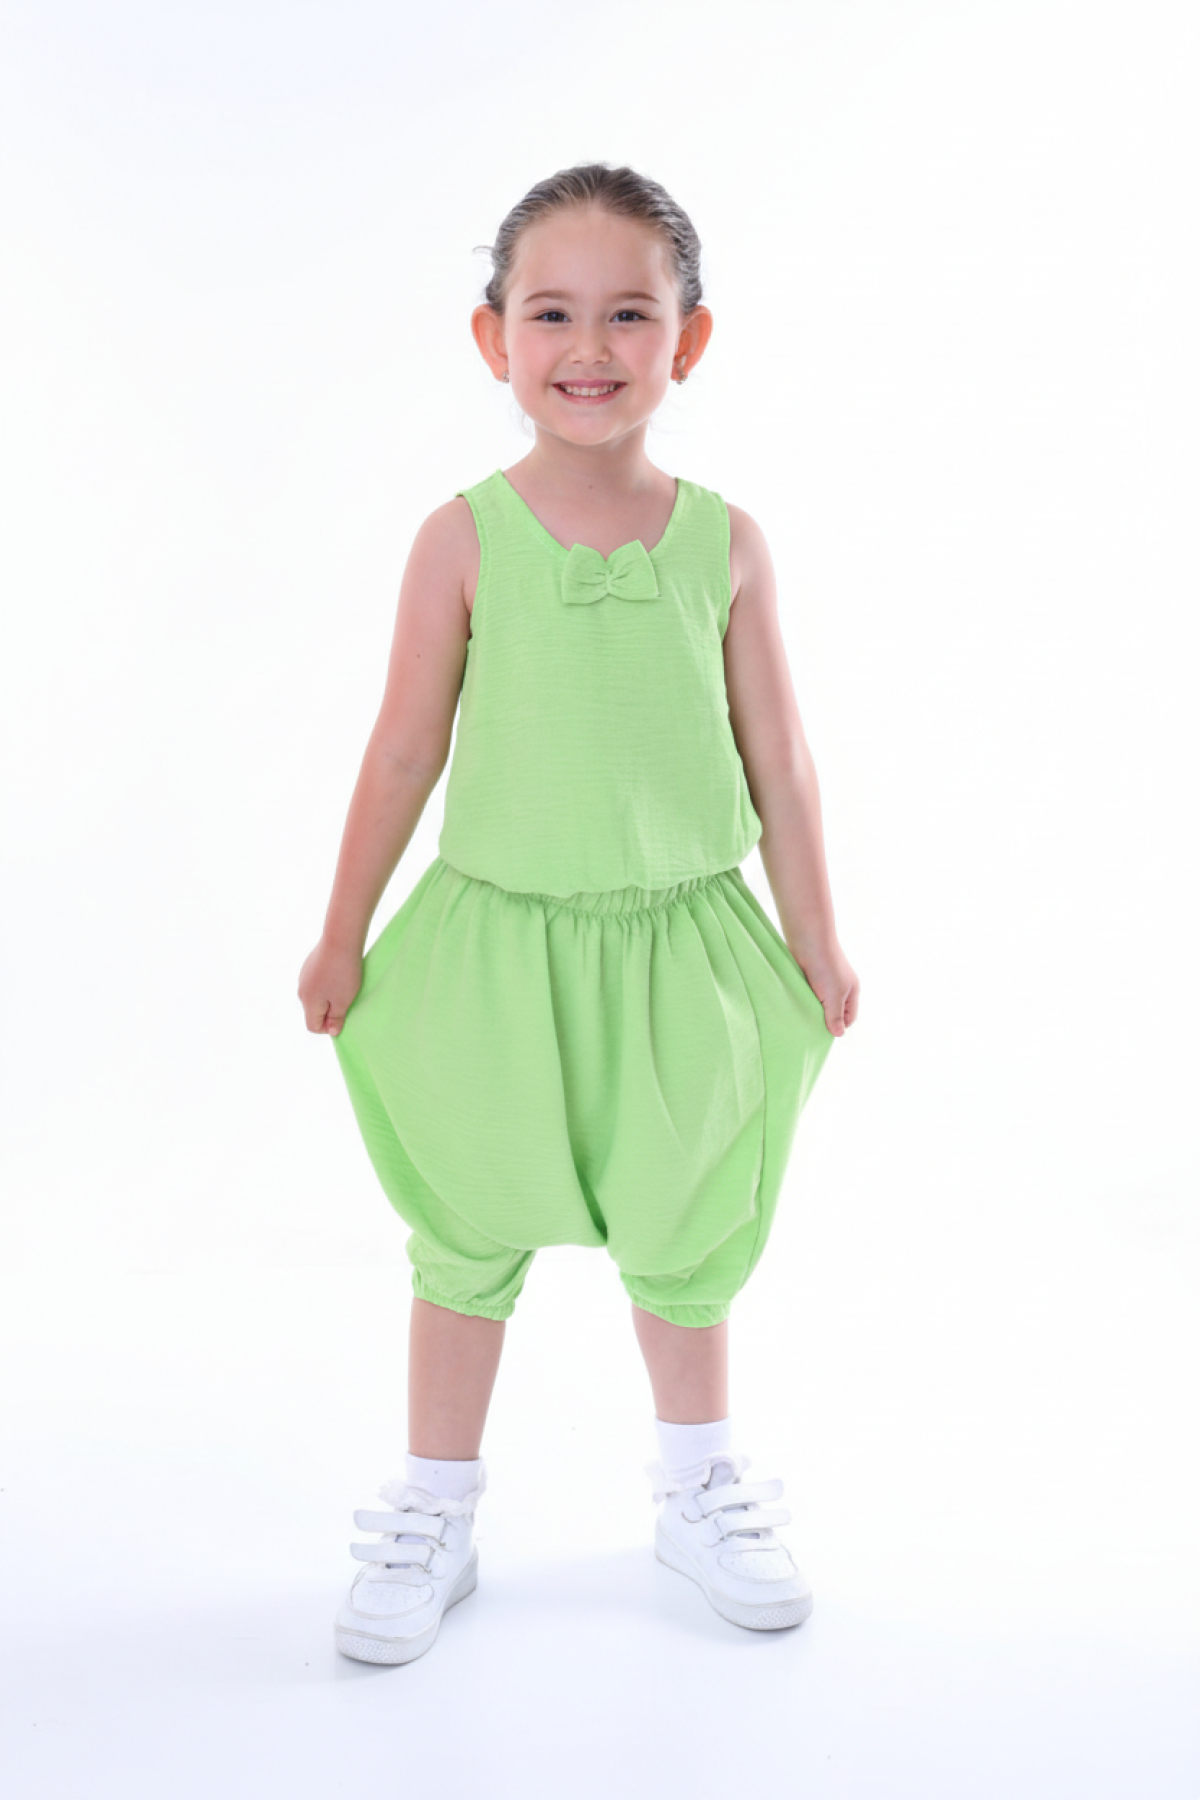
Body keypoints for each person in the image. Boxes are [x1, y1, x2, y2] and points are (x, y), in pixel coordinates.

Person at [297, 161, 859, 1666]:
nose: (590, 346)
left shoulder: (727, 543)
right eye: (551, 313)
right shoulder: (462, 538)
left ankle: (698, 1486)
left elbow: (780, 760)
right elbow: (404, 749)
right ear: (494, 338)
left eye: (631, 313)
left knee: (686, 1221)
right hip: (499, 948)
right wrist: (342, 928)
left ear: (690, 339)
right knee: (466, 1224)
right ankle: (435, 1505)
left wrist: (815, 934)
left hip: (681, 948)